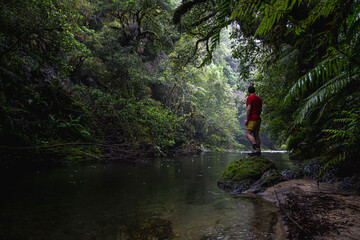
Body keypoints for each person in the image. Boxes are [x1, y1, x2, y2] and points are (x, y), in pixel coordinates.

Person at [245, 86, 262, 156]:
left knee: (247, 134)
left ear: (248, 91)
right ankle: (258, 150)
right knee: (256, 134)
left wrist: (246, 119)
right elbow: (261, 109)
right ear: (254, 91)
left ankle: (255, 149)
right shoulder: (259, 99)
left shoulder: (250, 98)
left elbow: (249, 108)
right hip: (258, 118)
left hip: (252, 118)